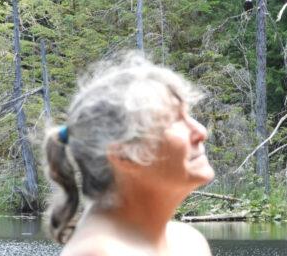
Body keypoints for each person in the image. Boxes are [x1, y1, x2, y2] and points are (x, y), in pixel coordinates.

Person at [43, 52, 215, 255]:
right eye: (173, 120)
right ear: (123, 155)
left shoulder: (187, 242)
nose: (200, 132)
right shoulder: (99, 253)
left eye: (188, 114)